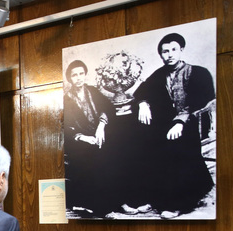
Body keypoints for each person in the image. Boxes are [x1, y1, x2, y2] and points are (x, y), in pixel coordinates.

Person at [133, 32, 216, 218]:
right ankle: (155, 198)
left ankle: (179, 203)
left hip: (192, 123)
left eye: (173, 50)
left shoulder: (198, 72)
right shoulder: (159, 74)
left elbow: (203, 100)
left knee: (176, 146)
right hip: (166, 124)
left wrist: (181, 120)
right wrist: (142, 103)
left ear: (181, 50)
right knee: (143, 144)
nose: (169, 55)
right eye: (165, 51)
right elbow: (141, 92)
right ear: (160, 54)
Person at [63, 60, 118, 217]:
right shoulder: (66, 99)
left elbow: (107, 107)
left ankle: (117, 201)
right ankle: (99, 208)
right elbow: (66, 127)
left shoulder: (93, 91)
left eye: (81, 74)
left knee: (116, 148)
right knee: (93, 157)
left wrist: (101, 126)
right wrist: (84, 138)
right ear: (69, 78)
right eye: (74, 75)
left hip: (98, 133)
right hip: (78, 141)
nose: (79, 78)